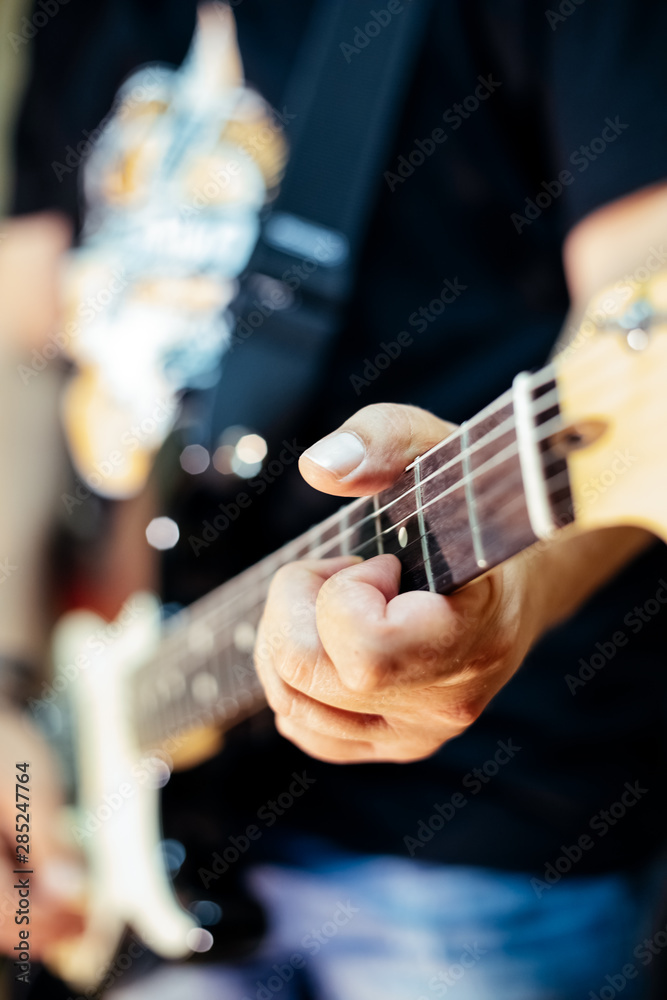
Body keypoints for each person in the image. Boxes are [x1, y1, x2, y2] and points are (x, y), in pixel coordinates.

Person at [4, 2, 667, 998]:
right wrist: (10, 682)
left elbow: (639, 319)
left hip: (471, 843)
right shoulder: (80, 24)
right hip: (119, 800)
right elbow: (24, 359)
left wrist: (511, 598)